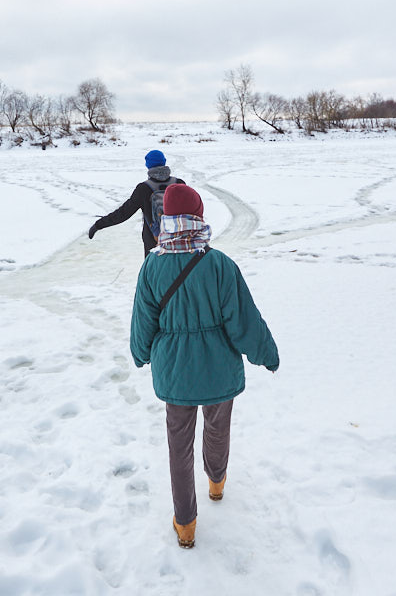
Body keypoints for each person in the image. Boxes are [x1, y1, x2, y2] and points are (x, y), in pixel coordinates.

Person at [129, 183, 279, 549]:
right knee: (217, 429)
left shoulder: (152, 267)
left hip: (175, 374)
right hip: (218, 370)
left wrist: (141, 353)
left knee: (178, 446)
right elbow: (244, 321)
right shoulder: (220, 265)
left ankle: (185, 525)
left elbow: (142, 322)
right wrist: (266, 354)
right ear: (197, 218)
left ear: (166, 221)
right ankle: (217, 482)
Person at [87, 150, 184, 256]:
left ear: (148, 165)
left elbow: (123, 213)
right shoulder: (179, 184)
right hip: (180, 240)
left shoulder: (143, 189)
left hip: (154, 244)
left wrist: (98, 225)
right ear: (164, 162)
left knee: (153, 272)